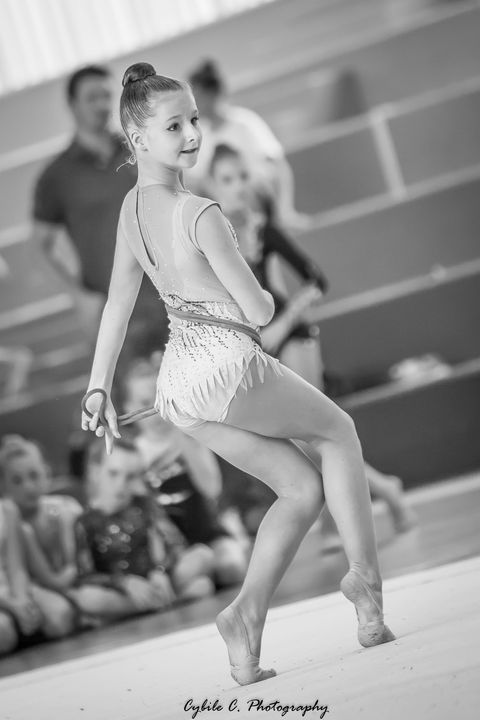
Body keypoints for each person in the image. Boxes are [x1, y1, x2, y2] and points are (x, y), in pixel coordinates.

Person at [81, 63, 395, 687]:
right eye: (175, 126)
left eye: (195, 120)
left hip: (181, 388)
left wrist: (97, 387)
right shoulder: (200, 212)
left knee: (300, 489)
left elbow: (117, 302)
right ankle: (365, 581)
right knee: (338, 431)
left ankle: (245, 618)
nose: (193, 134)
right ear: (138, 138)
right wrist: (255, 270)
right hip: (226, 367)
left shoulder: (131, 210)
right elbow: (259, 311)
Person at [208, 143, 417, 541]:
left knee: (318, 434)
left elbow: (316, 280)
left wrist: (283, 324)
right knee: (303, 442)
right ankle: (379, 493)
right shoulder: (214, 236)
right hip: (257, 345)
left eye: (242, 177)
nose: (237, 187)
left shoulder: (263, 230)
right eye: (227, 180)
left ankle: (368, 503)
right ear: (212, 186)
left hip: (292, 337)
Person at [31, 64, 167, 359]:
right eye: (92, 98)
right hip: (116, 314)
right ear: (72, 105)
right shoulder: (56, 176)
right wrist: (78, 296)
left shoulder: (143, 148)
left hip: (173, 297)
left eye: (107, 96)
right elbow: (41, 245)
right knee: (134, 388)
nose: (102, 105)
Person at [120, 357, 249, 586]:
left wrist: (182, 434)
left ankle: (205, 576)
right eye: (145, 402)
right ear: (129, 408)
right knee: (197, 571)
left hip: (207, 531)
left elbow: (212, 488)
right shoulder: (133, 453)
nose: (155, 410)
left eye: (160, 399)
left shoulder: (190, 435)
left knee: (232, 569)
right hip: (170, 546)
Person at [69, 437, 215, 622]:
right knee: (88, 598)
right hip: (124, 593)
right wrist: (124, 582)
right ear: (96, 472)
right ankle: (166, 600)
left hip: (159, 581)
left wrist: (161, 570)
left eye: (130, 477)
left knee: (203, 555)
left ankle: (152, 602)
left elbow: (175, 544)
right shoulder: (85, 522)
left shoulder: (145, 505)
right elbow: (85, 576)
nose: (121, 484)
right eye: (113, 474)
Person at [185, 59, 312, 233]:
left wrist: (285, 210)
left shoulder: (244, 123)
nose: (196, 104)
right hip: (231, 220)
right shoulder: (200, 137)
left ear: (212, 94)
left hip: (262, 208)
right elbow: (197, 182)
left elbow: (278, 166)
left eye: (199, 97)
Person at [0, 437, 78, 643]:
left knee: (60, 615)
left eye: (34, 475)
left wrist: (22, 598)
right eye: (17, 481)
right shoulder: (14, 518)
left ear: (46, 472)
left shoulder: (63, 509)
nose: (28, 487)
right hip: (16, 591)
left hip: (38, 587)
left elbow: (17, 568)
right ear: (4, 485)